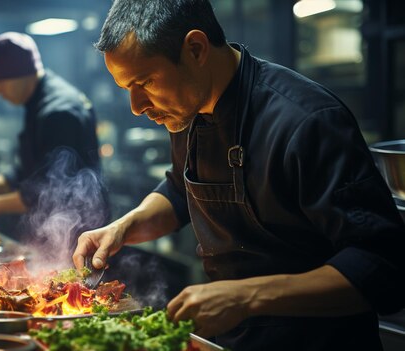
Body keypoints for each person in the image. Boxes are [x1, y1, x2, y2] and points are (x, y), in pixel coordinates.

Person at [72, 0, 405, 350]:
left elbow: (382, 268)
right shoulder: (185, 109)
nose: (137, 107)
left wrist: (246, 298)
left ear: (196, 49)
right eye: (128, 88)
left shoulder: (306, 121)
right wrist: (123, 227)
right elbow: (180, 190)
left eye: (145, 82)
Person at [0, 32, 101, 229]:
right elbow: (28, 170)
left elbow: (53, 191)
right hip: (51, 226)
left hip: (76, 229)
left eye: (0, 81)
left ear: (24, 73)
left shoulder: (58, 112)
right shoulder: (35, 101)